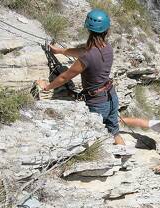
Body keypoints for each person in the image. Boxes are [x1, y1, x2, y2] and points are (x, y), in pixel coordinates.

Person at [36, 9, 125, 145]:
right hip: (111, 97)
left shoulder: (87, 56)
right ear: (106, 30)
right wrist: (60, 51)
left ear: (88, 30)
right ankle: (123, 159)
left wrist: (47, 87)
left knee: (95, 140)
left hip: (97, 103)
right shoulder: (107, 47)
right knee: (115, 132)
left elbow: (64, 77)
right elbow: (84, 51)